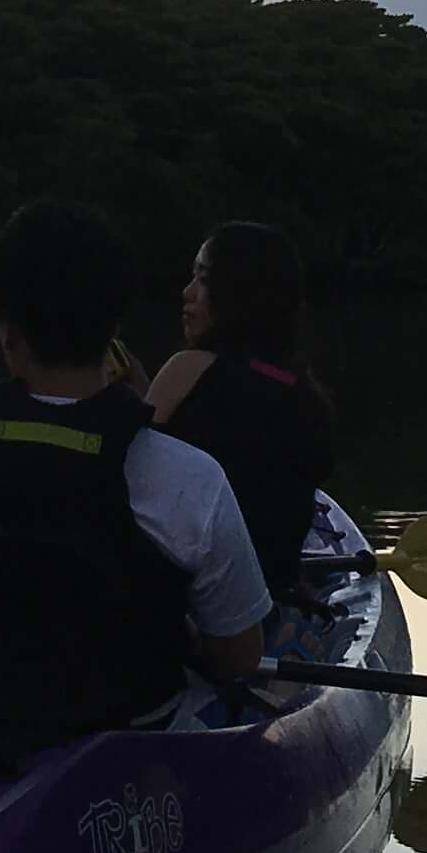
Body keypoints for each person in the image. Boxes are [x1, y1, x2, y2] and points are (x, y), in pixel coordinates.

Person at [0, 200, 271, 764]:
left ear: (8, 335)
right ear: (114, 330)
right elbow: (238, 657)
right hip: (131, 734)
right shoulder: (190, 476)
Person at [142, 221, 339, 597]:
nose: (187, 293)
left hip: (186, 599)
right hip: (268, 596)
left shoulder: (190, 369)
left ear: (235, 291)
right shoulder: (307, 398)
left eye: (202, 279)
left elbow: (130, 470)